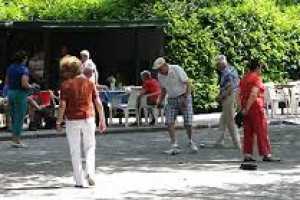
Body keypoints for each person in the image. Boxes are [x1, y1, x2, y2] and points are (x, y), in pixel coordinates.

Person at [56, 55, 106, 187]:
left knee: (75, 150)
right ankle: (90, 172)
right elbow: (98, 103)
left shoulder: (65, 85)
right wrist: (102, 119)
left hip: (72, 120)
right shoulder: (89, 82)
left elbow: (62, 106)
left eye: (64, 70)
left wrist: (58, 122)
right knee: (90, 147)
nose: (63, 73)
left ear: (68, 71)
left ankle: (79, 180)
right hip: (89, 118)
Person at [236, 58, 280, 162]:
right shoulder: (256, 78)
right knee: (261, 131)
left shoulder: (244, 78)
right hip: (255, 107)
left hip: (244, 107)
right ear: (257, 67)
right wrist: (248, 107)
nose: (261, 70)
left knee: (248, 131)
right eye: (261, 68)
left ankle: (247, 154)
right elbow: (254, 94)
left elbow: (237, 94)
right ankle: (266, 154)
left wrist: (241, 108)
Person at [153, 57, 198, 155]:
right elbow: (164, 89)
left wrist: (186, 98)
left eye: (160, 69)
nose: (159, 71)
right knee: (169, 122)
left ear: (165, 65)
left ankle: (191, 141)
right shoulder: (160, 75)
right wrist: (160, 101)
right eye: (158, 70)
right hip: (172, 99)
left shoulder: (176, 69)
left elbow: (188, 83)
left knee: (188, 122)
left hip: (183, 96)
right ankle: (174, 145)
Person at [5, 50, 36, 148]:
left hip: (11, 93)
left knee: (14, 117)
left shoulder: (10, 68)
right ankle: (16, 140)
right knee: (19, 118)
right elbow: (24, 84)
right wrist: (32, 87)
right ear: (23, 59)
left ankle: (14, 138)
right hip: (20, 94)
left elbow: (7, 81)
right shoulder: (24, 69)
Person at [215, 55, 242, 151]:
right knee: (223, 118)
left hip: (229, 97)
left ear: (222, 63)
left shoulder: (227, 72)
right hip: (230, 96)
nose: (217, 67)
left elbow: (231, 86)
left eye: (218, 64)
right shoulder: (231, 69)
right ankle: (219, 141)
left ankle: (237, 142)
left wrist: (222, 96)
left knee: (230, 120)